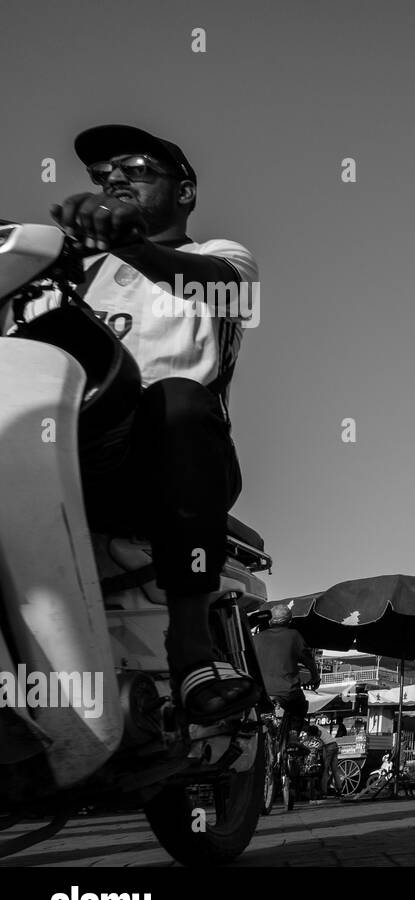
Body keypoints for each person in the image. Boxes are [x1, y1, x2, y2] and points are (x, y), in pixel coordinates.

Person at [4, 124, 260, 724]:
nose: (115, 179)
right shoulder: (67, 276)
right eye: (103, 175)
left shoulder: (215, 260)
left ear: (186, 191)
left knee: (177, 399)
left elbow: (222, 291)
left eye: (137, 168)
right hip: (66, 458)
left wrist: (130, 246)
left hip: (164, 461)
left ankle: (191, 647)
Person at [253, 605, 322, 735]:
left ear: (269, 621)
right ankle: (293, 737)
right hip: (287, 691)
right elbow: (308, 659)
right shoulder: (293, 636)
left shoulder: (255, 639)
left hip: (259, 692)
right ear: (289, 621)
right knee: (300, 708)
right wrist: (315, 677)